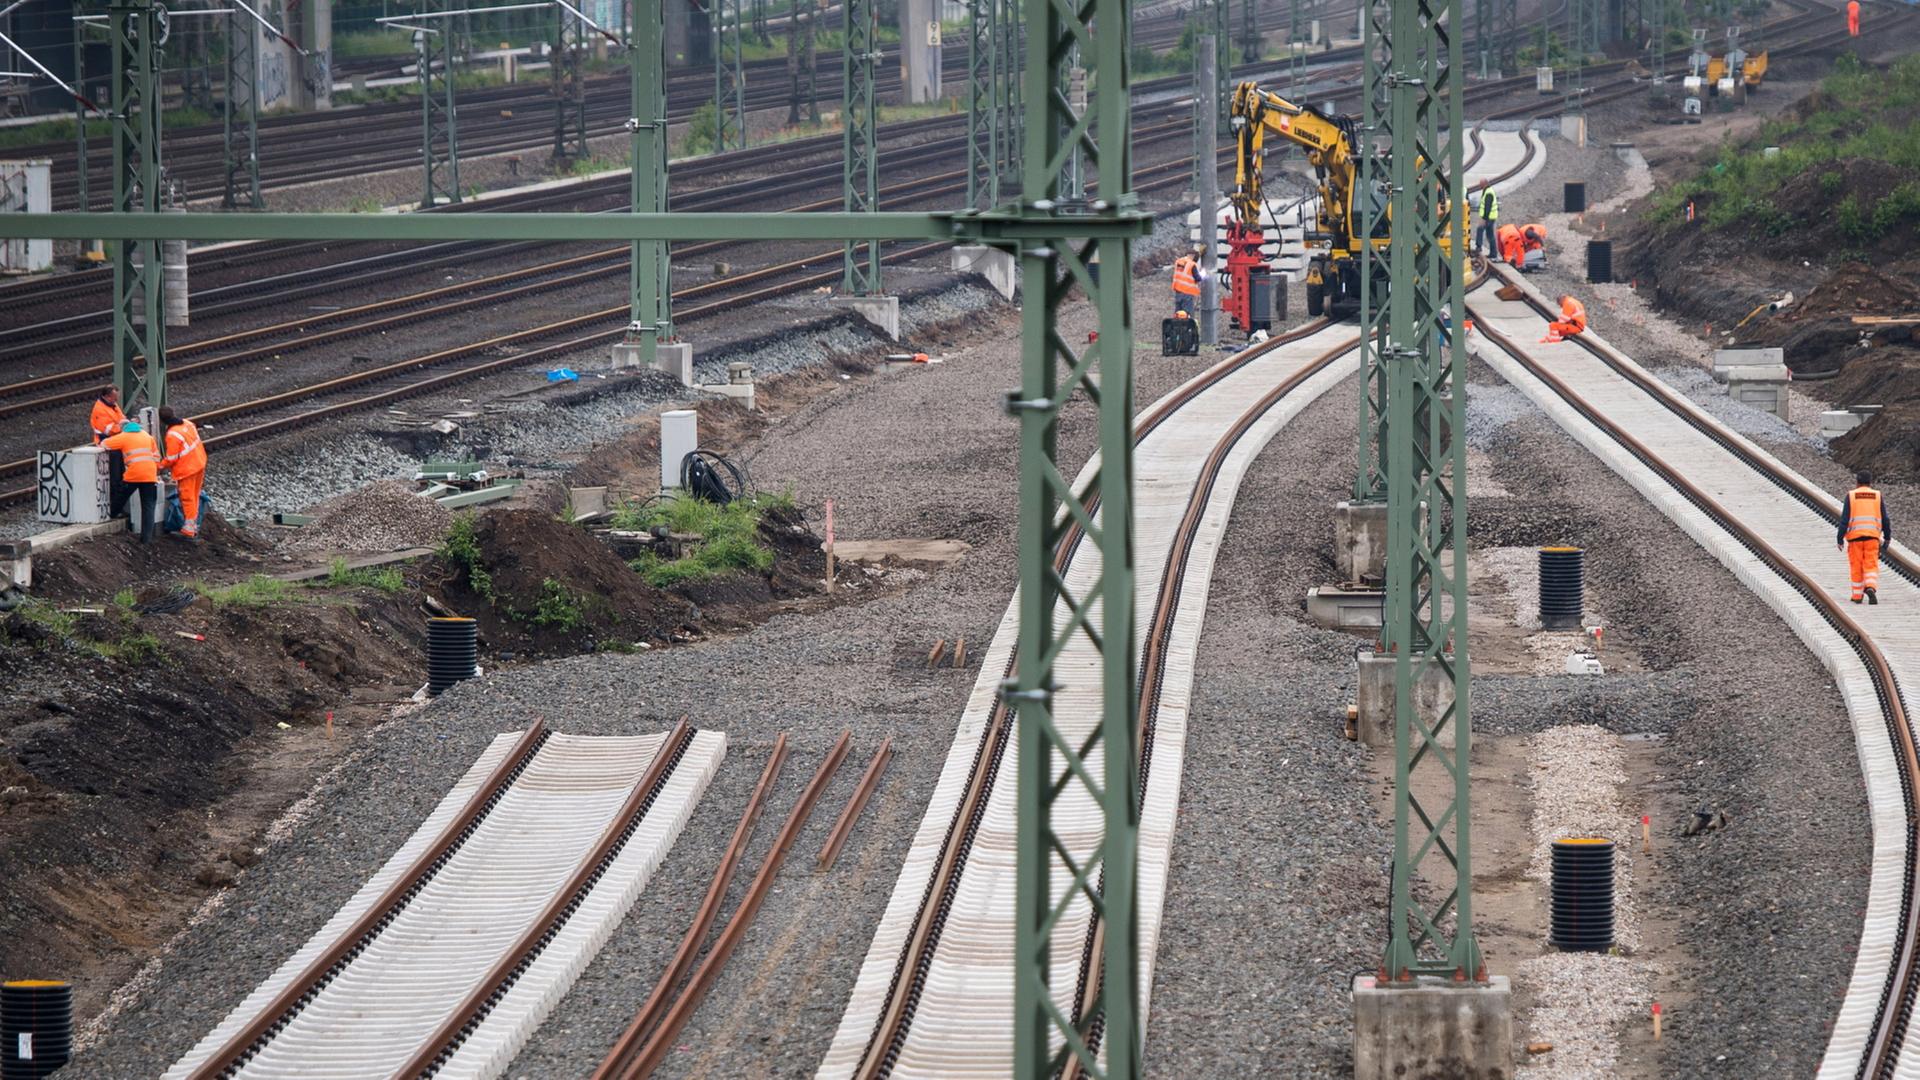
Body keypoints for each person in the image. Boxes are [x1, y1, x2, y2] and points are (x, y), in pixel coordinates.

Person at [100, 420, 161, 544]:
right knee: (148, 506)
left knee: (121, 497)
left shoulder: (123, 437)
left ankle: (111, 514)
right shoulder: (147, 436)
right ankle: (146, 539)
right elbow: (157, 457)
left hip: (133, 475)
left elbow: (103, 444)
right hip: (150, 475)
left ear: (124, 428)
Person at [1839, 470, 1890, 604]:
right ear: (1870, 482)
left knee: (1856, 566)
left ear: (1857, 482)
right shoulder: (1877, 496)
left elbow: (1844, 520)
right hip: (1872, 538)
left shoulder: (1851, 496)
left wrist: (1839, 538)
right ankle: (1871, 587)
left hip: (1855, 539)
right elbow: (1885, 519)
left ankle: (1857, 596)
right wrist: (1888, 537)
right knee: (1871, 565)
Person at [158, 406, 207, 541]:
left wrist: (159, 465)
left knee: (187, 497)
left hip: (187, 469)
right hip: (199, 462)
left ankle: (189, 529)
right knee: (195, 494)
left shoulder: (172, 435)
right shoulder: (187, 423)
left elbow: (172, 458)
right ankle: (193, 524)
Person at [1171, 246, 1203, 316]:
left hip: (1178, 292)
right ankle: (1188, 327)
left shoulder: (1178, 262)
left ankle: (1178, 326)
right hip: (1187, 292)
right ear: (1193, 256)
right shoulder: (1192, 264)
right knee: (1188, 314)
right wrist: (1202, 276)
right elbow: (1198, 278)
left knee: (1178, 314)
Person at [1474, 182, 1499, 258]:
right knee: (1490, 235)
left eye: (1480, 185)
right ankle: (1493, 254)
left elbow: (1487, 207)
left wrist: (1484, 219)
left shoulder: (1488, 193)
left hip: (1489, 218)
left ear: (1484, 184)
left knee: (1480, 229)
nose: (1479, 186)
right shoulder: (1488, 191)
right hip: (1491, 217)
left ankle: (1479, 247)